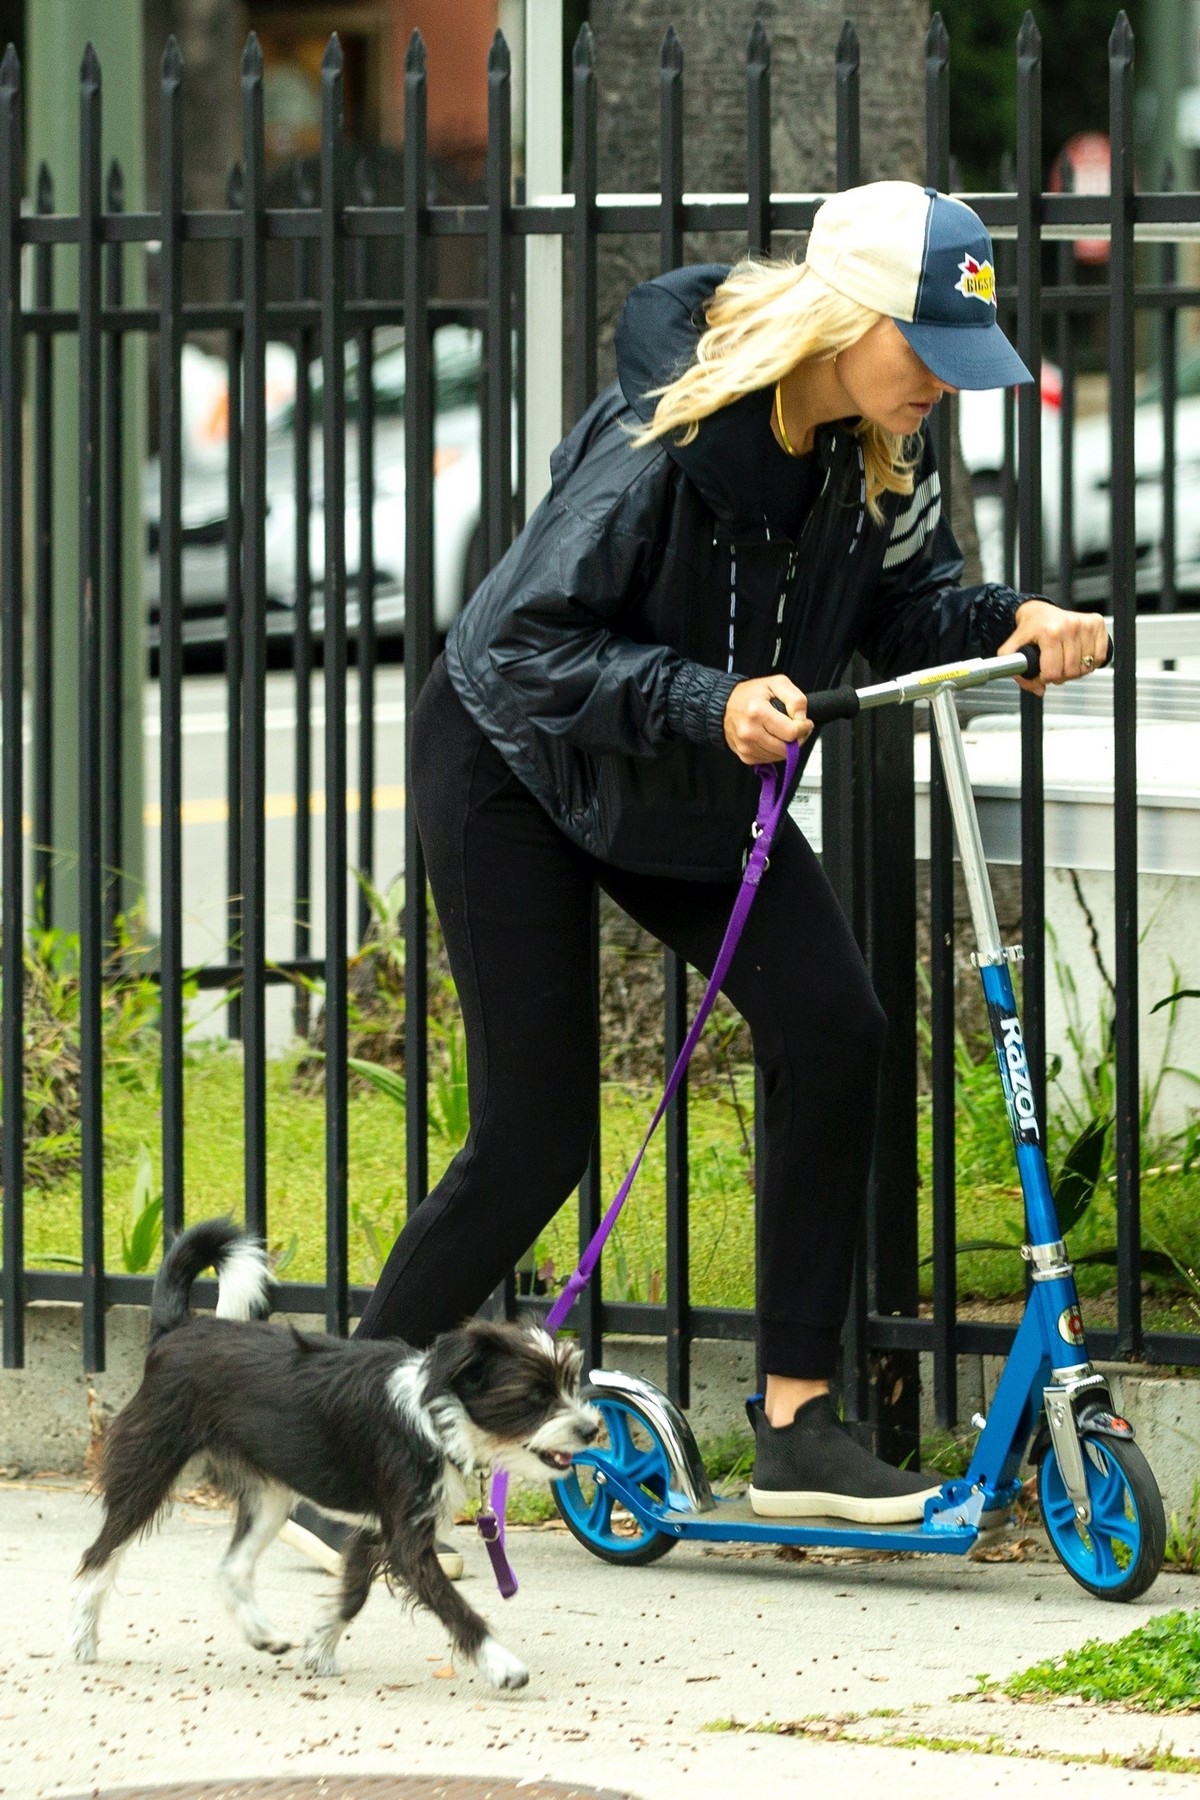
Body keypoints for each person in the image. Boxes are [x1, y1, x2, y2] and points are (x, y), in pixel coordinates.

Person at [289, 180, 1108, 1569]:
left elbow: (908, 609)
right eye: (924, 354)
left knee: (836, 1028)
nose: (940, 389)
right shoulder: (664, 438)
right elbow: (531, 642)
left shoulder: (876, 450)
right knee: (537, 1136)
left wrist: (1012, 621)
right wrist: (701, 699)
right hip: (518, 761)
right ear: (845, 322)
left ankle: (797, 1426)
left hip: (685, 775)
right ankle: (341, 1455)